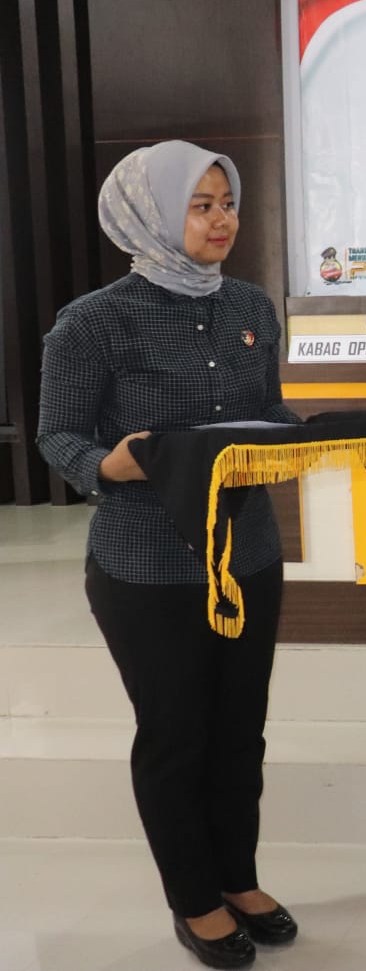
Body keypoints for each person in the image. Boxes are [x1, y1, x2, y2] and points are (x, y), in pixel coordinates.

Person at [37, 141, 301, 970]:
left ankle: (237, 878)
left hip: (248, 554)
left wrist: (296, 437)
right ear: (147, 215)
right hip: (147, 565)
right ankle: (195, 898)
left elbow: (267, 410)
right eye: (201, 205)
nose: (223, 220)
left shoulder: (251, 305)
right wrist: (108, 466)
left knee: (241, 732)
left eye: (228, 203)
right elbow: (59, 436)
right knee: (177, 734)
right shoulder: (92, 322)